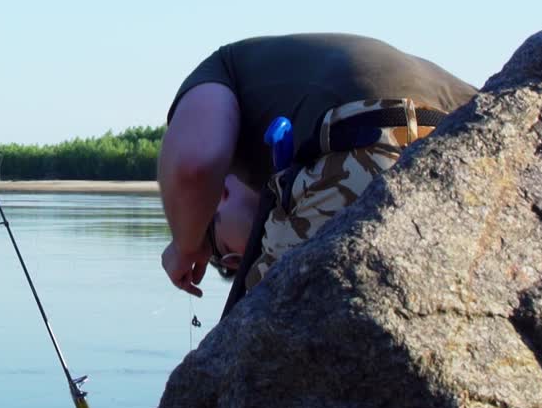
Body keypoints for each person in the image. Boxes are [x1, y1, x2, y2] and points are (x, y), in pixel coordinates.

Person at [156, 33, 477, 304]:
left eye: (229, 253)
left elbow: (194, 166)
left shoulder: (219, 68)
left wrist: (185, 246)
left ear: (221, 194)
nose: (247, 258)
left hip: (365, 139)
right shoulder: (273, 76)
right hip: (463, 153)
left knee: (252, 328)